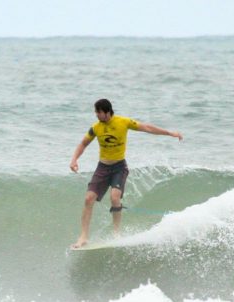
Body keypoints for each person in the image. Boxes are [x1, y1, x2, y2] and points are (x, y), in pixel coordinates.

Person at [69, 99, 183, 249]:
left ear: (107, 112)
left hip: (119, 167)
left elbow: (147, 127)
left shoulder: (123, 122)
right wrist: (74, 159)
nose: (96, 115)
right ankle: (83, 237)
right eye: (96, 112)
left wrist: (170, 133)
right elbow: (83, 143)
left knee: (115, 197)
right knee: (88, 199)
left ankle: (116, 234)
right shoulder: (96, 128)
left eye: (98, 112)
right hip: (102, 168)